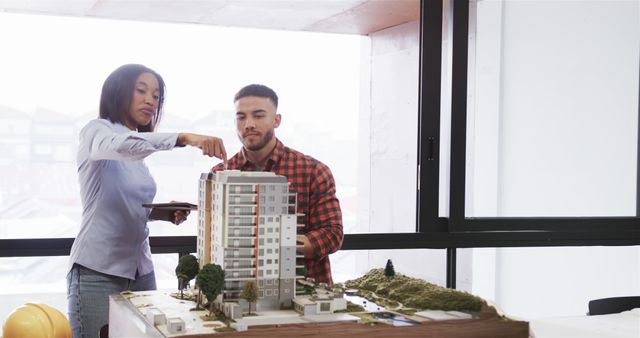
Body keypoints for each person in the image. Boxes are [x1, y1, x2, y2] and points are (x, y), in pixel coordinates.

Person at [67, 64, 227, 338]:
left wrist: (162, 213)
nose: (151, 101)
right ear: (118, 92)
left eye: (156, 96)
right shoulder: (97, 131)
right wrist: (184, 138)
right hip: (97, 271)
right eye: (141, 91)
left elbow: (124, 202)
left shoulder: (139, 152)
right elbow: (119, 145)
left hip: (141, 270)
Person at [211, 84, 343, 285]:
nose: (249, 124)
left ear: (276, 120)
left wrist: (274, 246)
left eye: (258, 115)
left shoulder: (313, 171)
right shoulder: (219, 175)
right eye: (241, 117)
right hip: (237, 288)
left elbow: (332, 234)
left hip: (303, 290)